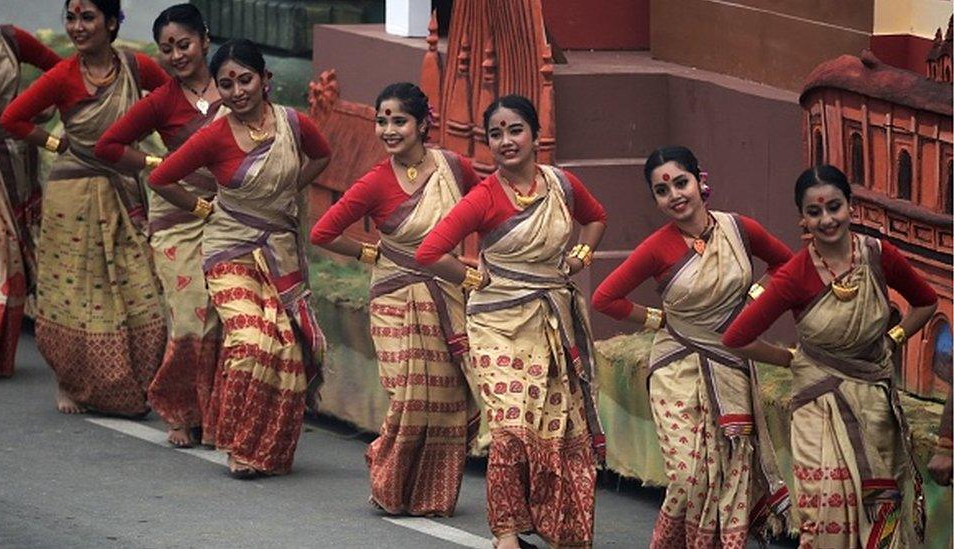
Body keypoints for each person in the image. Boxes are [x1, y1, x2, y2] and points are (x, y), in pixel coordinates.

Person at [416, 95, 606, 549]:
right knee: (509, 430)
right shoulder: (484, 197)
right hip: (497, 325)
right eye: (495, 134)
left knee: (558, 432)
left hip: (553, 324)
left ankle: (563, 529)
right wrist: (471, 277)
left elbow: (596, 218)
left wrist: (580, 256)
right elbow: (429, 252)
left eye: (515, 129)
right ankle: (505, 533)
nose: (506, 141)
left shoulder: (561, 185)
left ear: (535, 135)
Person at [722, 165, 937, 548]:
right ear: (802, 218)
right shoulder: (794, 275)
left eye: (834, 207)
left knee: (880, 507)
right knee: (824, 511)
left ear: (851, 207)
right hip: (817, 405)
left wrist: (893, 339)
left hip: (874, 402)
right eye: (815, 212)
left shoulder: (878, 256)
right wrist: (788, 358)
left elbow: (925, 302)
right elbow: (737, 337)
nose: (827, 219)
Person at [591, 146, 793, 547]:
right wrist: (657, 319)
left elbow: (787, 265)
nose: (675, 195)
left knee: (731, 471)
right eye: (662, 191)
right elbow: (604, 298)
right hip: (676, 365)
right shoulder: (657, 246)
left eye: (681, 182)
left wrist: (754, 299)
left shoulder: (739, 230)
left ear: (701, 181)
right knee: (687, 477)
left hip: (731, 364)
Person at [148, 38, 331, 478]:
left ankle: (267, 449)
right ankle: (235, 443)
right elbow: (160, 178)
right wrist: (199, 208)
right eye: (225, 84)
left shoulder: (293, 124)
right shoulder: (213, 135)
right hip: (229, 250)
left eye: (245, 79)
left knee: (285, 349)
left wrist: (288, 190)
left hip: (279, 250)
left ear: (265, 79)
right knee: (250, 343)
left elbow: (323, 156)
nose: (237, 91)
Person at [311, 82, 481, 516]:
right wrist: (372, 253)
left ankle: (429, 495)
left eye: (398, 120)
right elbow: (323, 232)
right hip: (394, 296)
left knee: (445, 400)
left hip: (446, 292)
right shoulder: (375, 181)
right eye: (382, 121)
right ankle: (389, 480)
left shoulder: (454, 168)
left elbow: (487, 210)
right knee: (409, 394)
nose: (388, 129)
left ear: (423, 124)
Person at [0, 0, 170, 414]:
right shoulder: (62, 76)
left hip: (122, 188)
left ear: (111, 23)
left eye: (88, 17)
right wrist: (60, 145)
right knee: (74, 292)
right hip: (73, 192)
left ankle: (137, 384)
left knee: (139, 285)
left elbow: (172, 103)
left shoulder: (136, 68)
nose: (77, 27)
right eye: (71, 18)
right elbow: (13, 119)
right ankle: (70, 382)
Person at [95, 3, 223, 448]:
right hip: (180, 218)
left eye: (183, 44)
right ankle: (178, 408)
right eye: (166, 49)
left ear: (204, 39)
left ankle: (218, 415)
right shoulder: (162, 101)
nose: (176, 55)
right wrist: (158, 163)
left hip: (232, 217)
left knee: (228, 318)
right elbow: (108, 146)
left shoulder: (233, 84)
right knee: (190, 317)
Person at [0, 0, 61, 377]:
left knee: (2, 252)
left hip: (6, 159)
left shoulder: (11, 41)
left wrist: (34, 109)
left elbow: (64, 73)